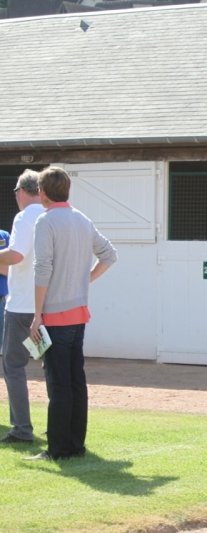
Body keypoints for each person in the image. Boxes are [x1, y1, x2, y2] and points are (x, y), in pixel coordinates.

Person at [26, 166, 117, 460]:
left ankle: (57, 448)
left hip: (55, 315)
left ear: (42, 192)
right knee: (76, 380)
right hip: (79, 314)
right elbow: (109, 255)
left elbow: (43, 268)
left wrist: (37, 314)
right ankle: (76, 444)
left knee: (58, 384)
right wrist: (85, 279)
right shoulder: (81, 219)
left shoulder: (46, 221)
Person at [0, 170, 46, 445]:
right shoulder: (52, 213)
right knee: (51, 366)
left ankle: (21, 429)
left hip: (21, 308)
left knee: (13, 366)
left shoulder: (25, 216)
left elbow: (16, 256)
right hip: (48, 306)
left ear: (22, 191)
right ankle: (58, 427)